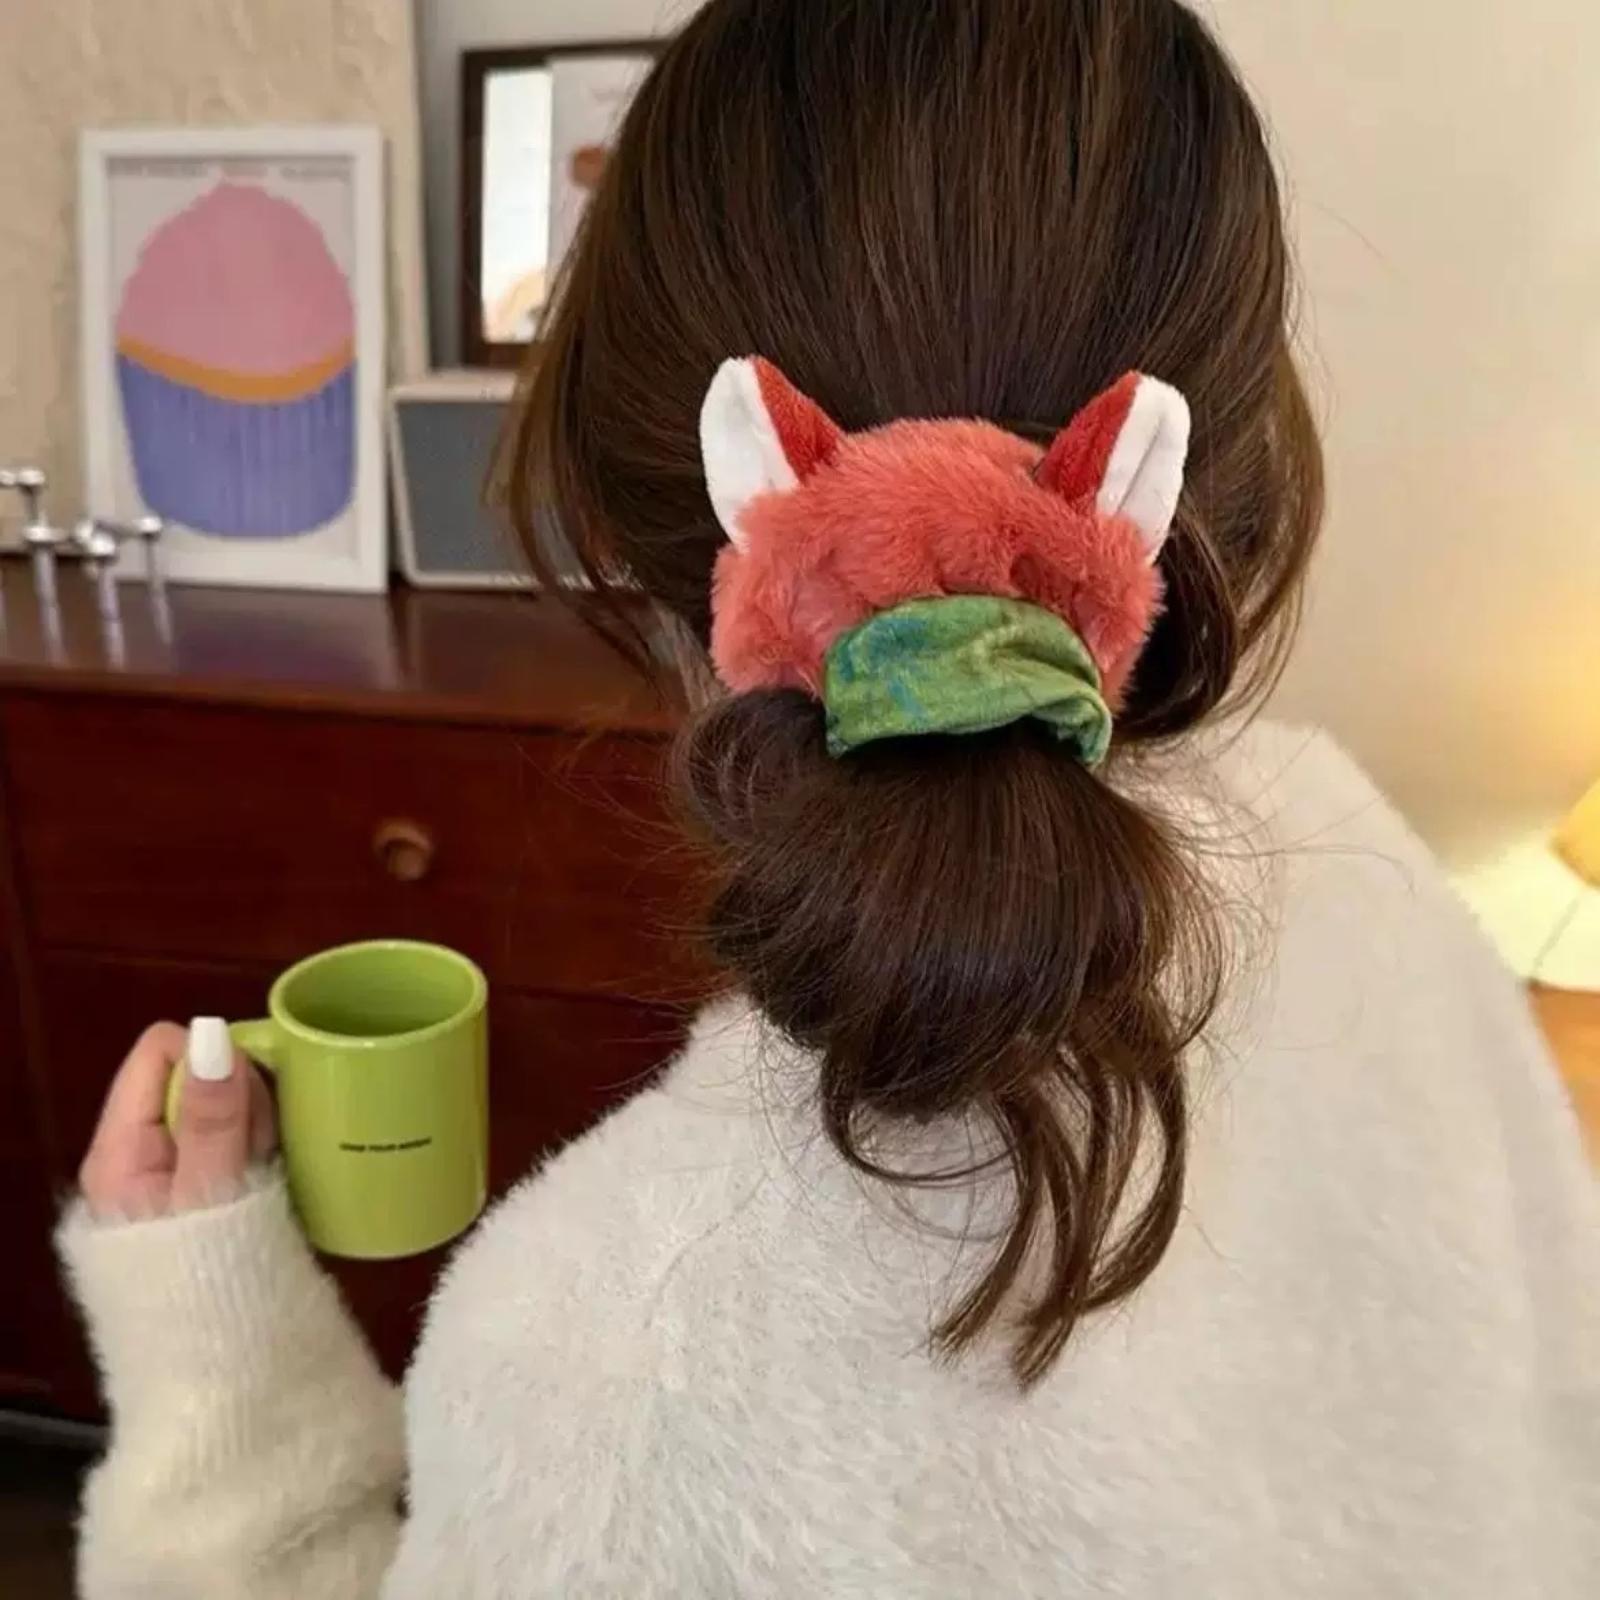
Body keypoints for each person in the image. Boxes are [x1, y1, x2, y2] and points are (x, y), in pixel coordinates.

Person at [58, 1, 1598, 1595]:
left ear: (636, 514)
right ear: (1209, 475)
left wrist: (216, 1374)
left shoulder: (611, 1360)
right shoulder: (1368, 871)